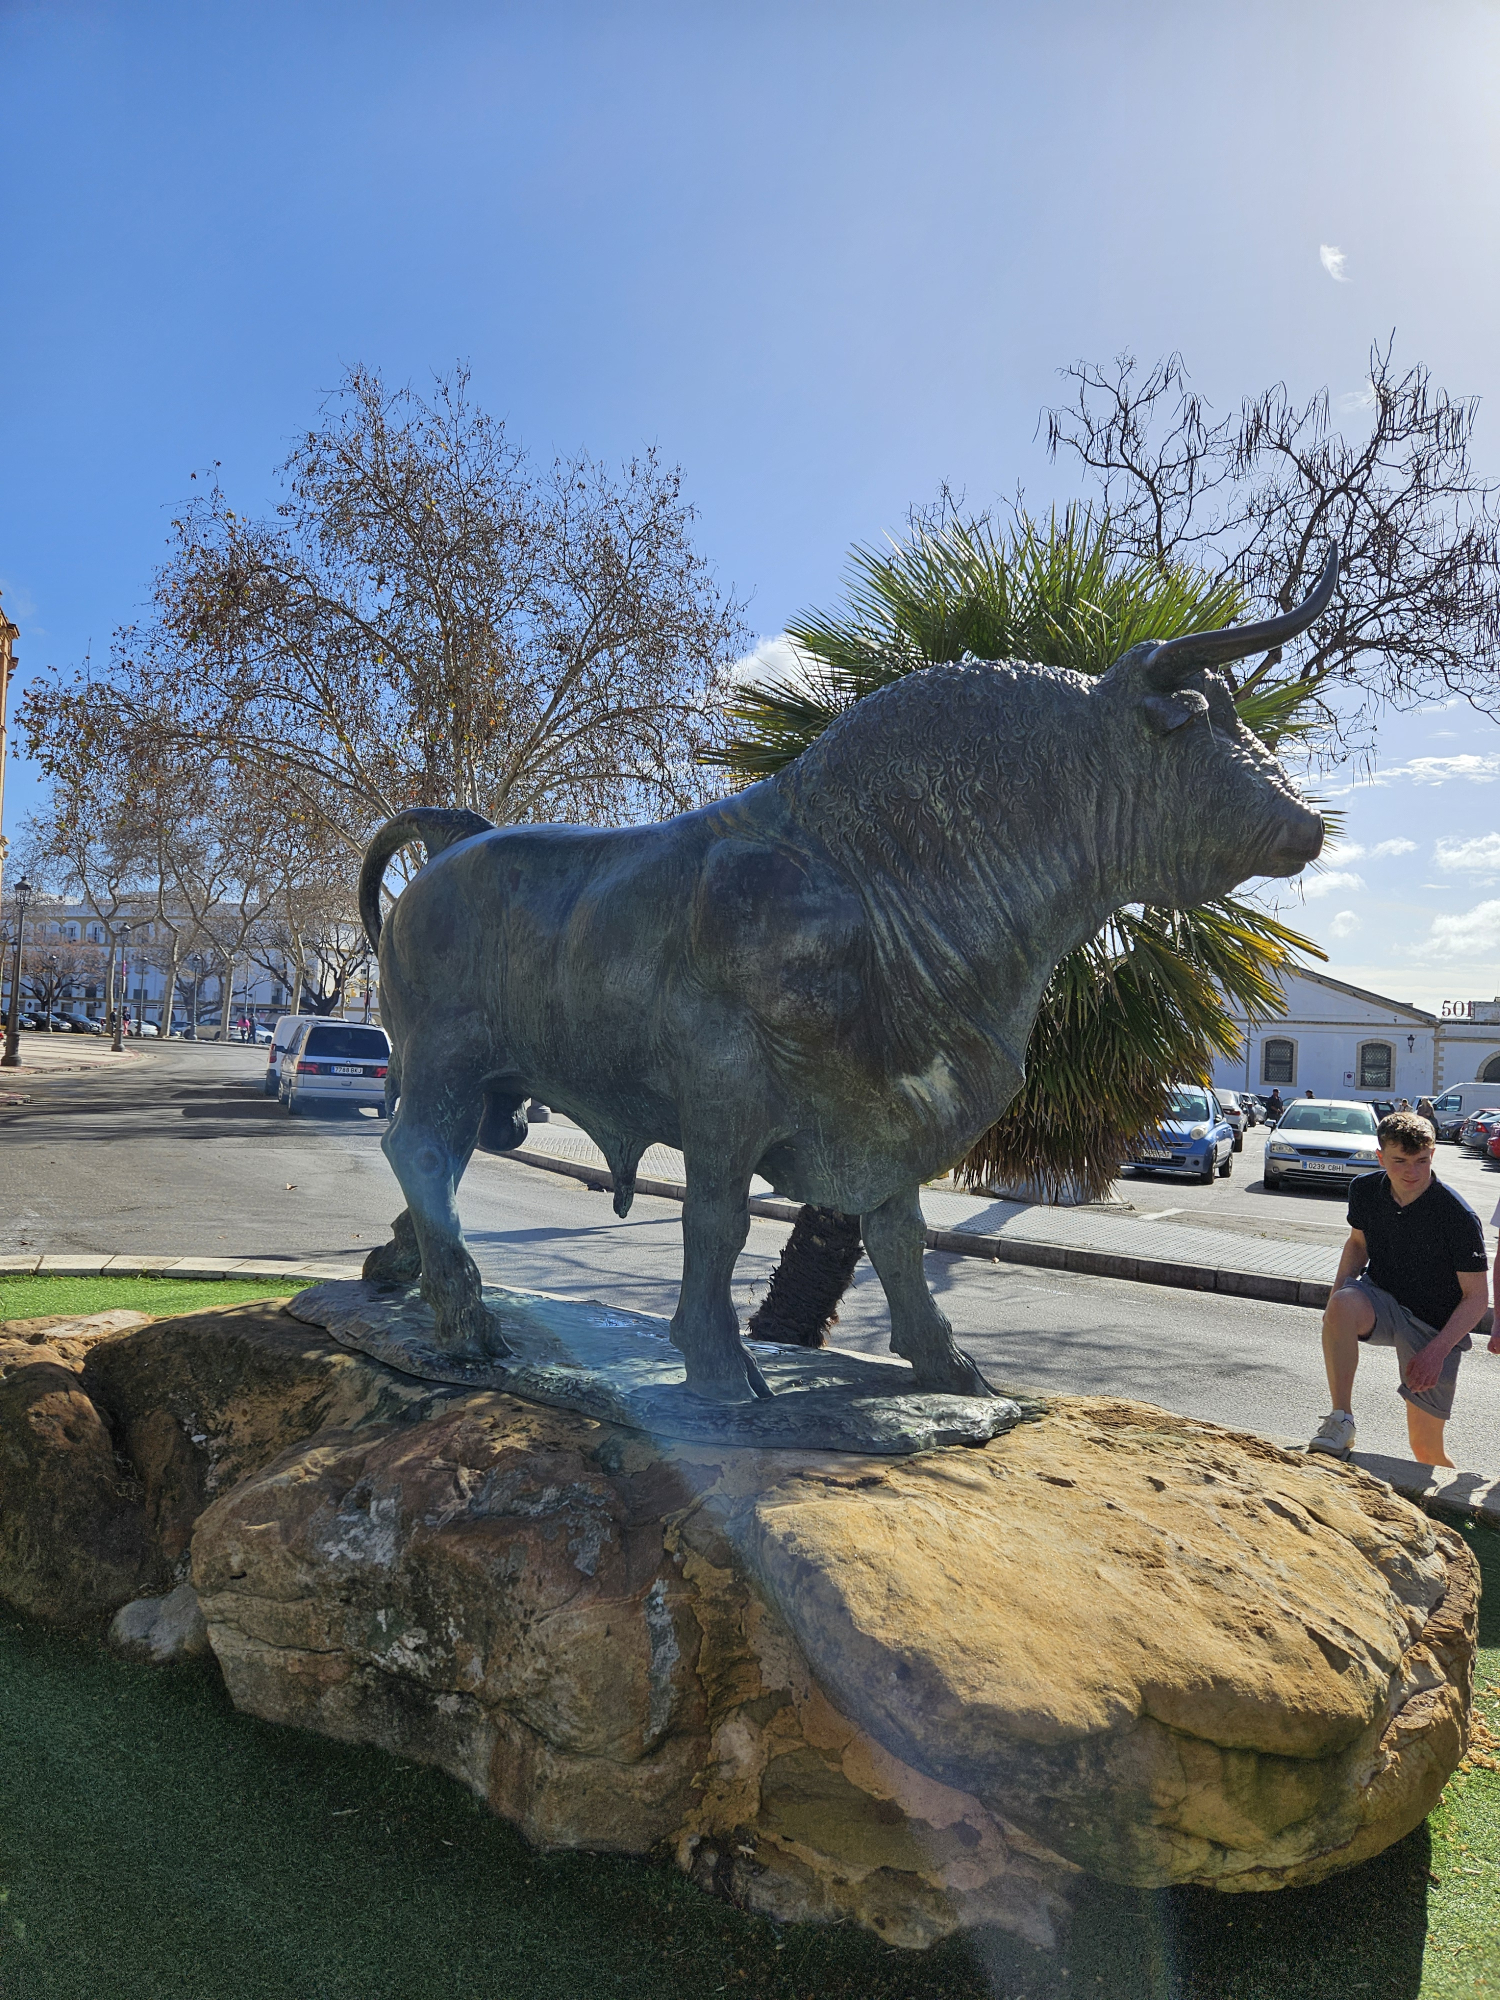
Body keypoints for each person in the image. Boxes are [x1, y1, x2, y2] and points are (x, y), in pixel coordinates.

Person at [1310, 1109, 1495, 1467]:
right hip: (1380, 1299)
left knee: (1425, 1450)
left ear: (1432, 1154)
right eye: (1400, 1161)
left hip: (1433, 1325)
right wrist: (1333, 1304)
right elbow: (1357, 1244)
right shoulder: (1364, 1190)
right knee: (1342, 1303)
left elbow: (1476, 1299)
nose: (1412, 1172)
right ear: (1380, 1157)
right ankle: (1341, 1419)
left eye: (1421, 1161)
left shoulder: (1457, 1215)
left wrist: (1436, 1352)